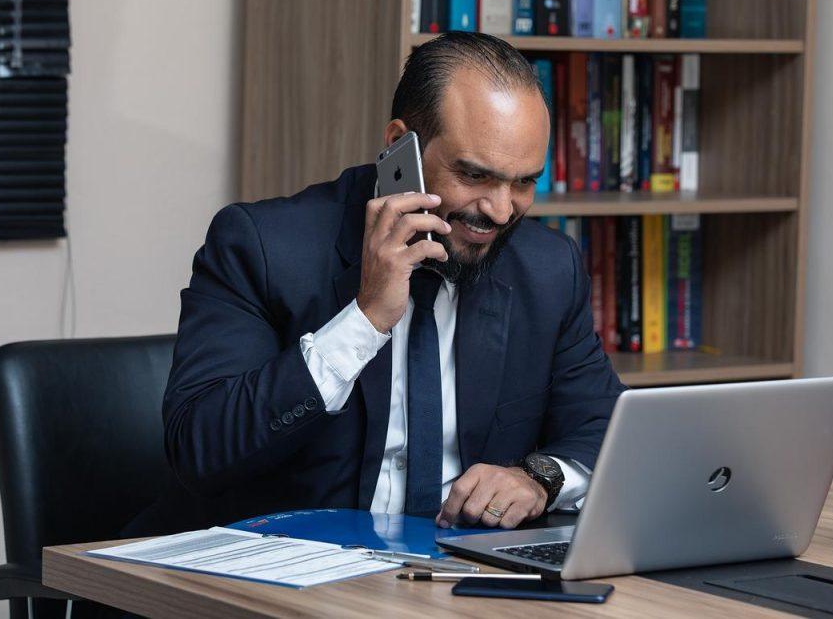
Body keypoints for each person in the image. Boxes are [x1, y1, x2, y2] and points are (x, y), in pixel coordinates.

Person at [146, 32, 626, 535]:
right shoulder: (263, 247)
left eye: (524, 181)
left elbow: (606, 429)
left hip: (460, 579)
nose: (501, 210)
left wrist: (540, 478)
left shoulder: (548, 269)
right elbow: (200, 450)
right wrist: (366, 317)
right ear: (400, 146)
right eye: (474, 175)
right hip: (291, 574)